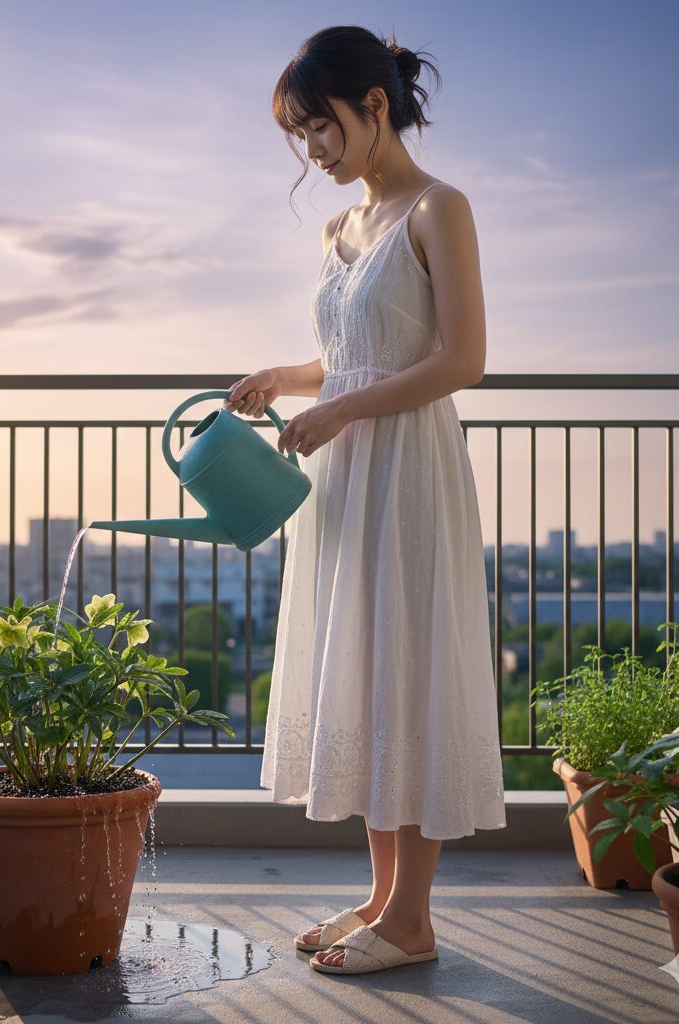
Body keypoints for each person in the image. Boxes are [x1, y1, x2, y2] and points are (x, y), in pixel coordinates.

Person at [223, 25, 507, 976]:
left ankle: (413, 920)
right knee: (366, 674)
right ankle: (385, 900)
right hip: (346, 473)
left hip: (408, 468)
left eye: (321, 126)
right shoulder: (339, 229)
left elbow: (461, 359)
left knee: (407, 673)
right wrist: (287, 377)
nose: (313, 149)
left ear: (374, 105)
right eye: (301, 133)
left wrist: (340, 407)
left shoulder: (440, 207)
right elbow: (351, 354)